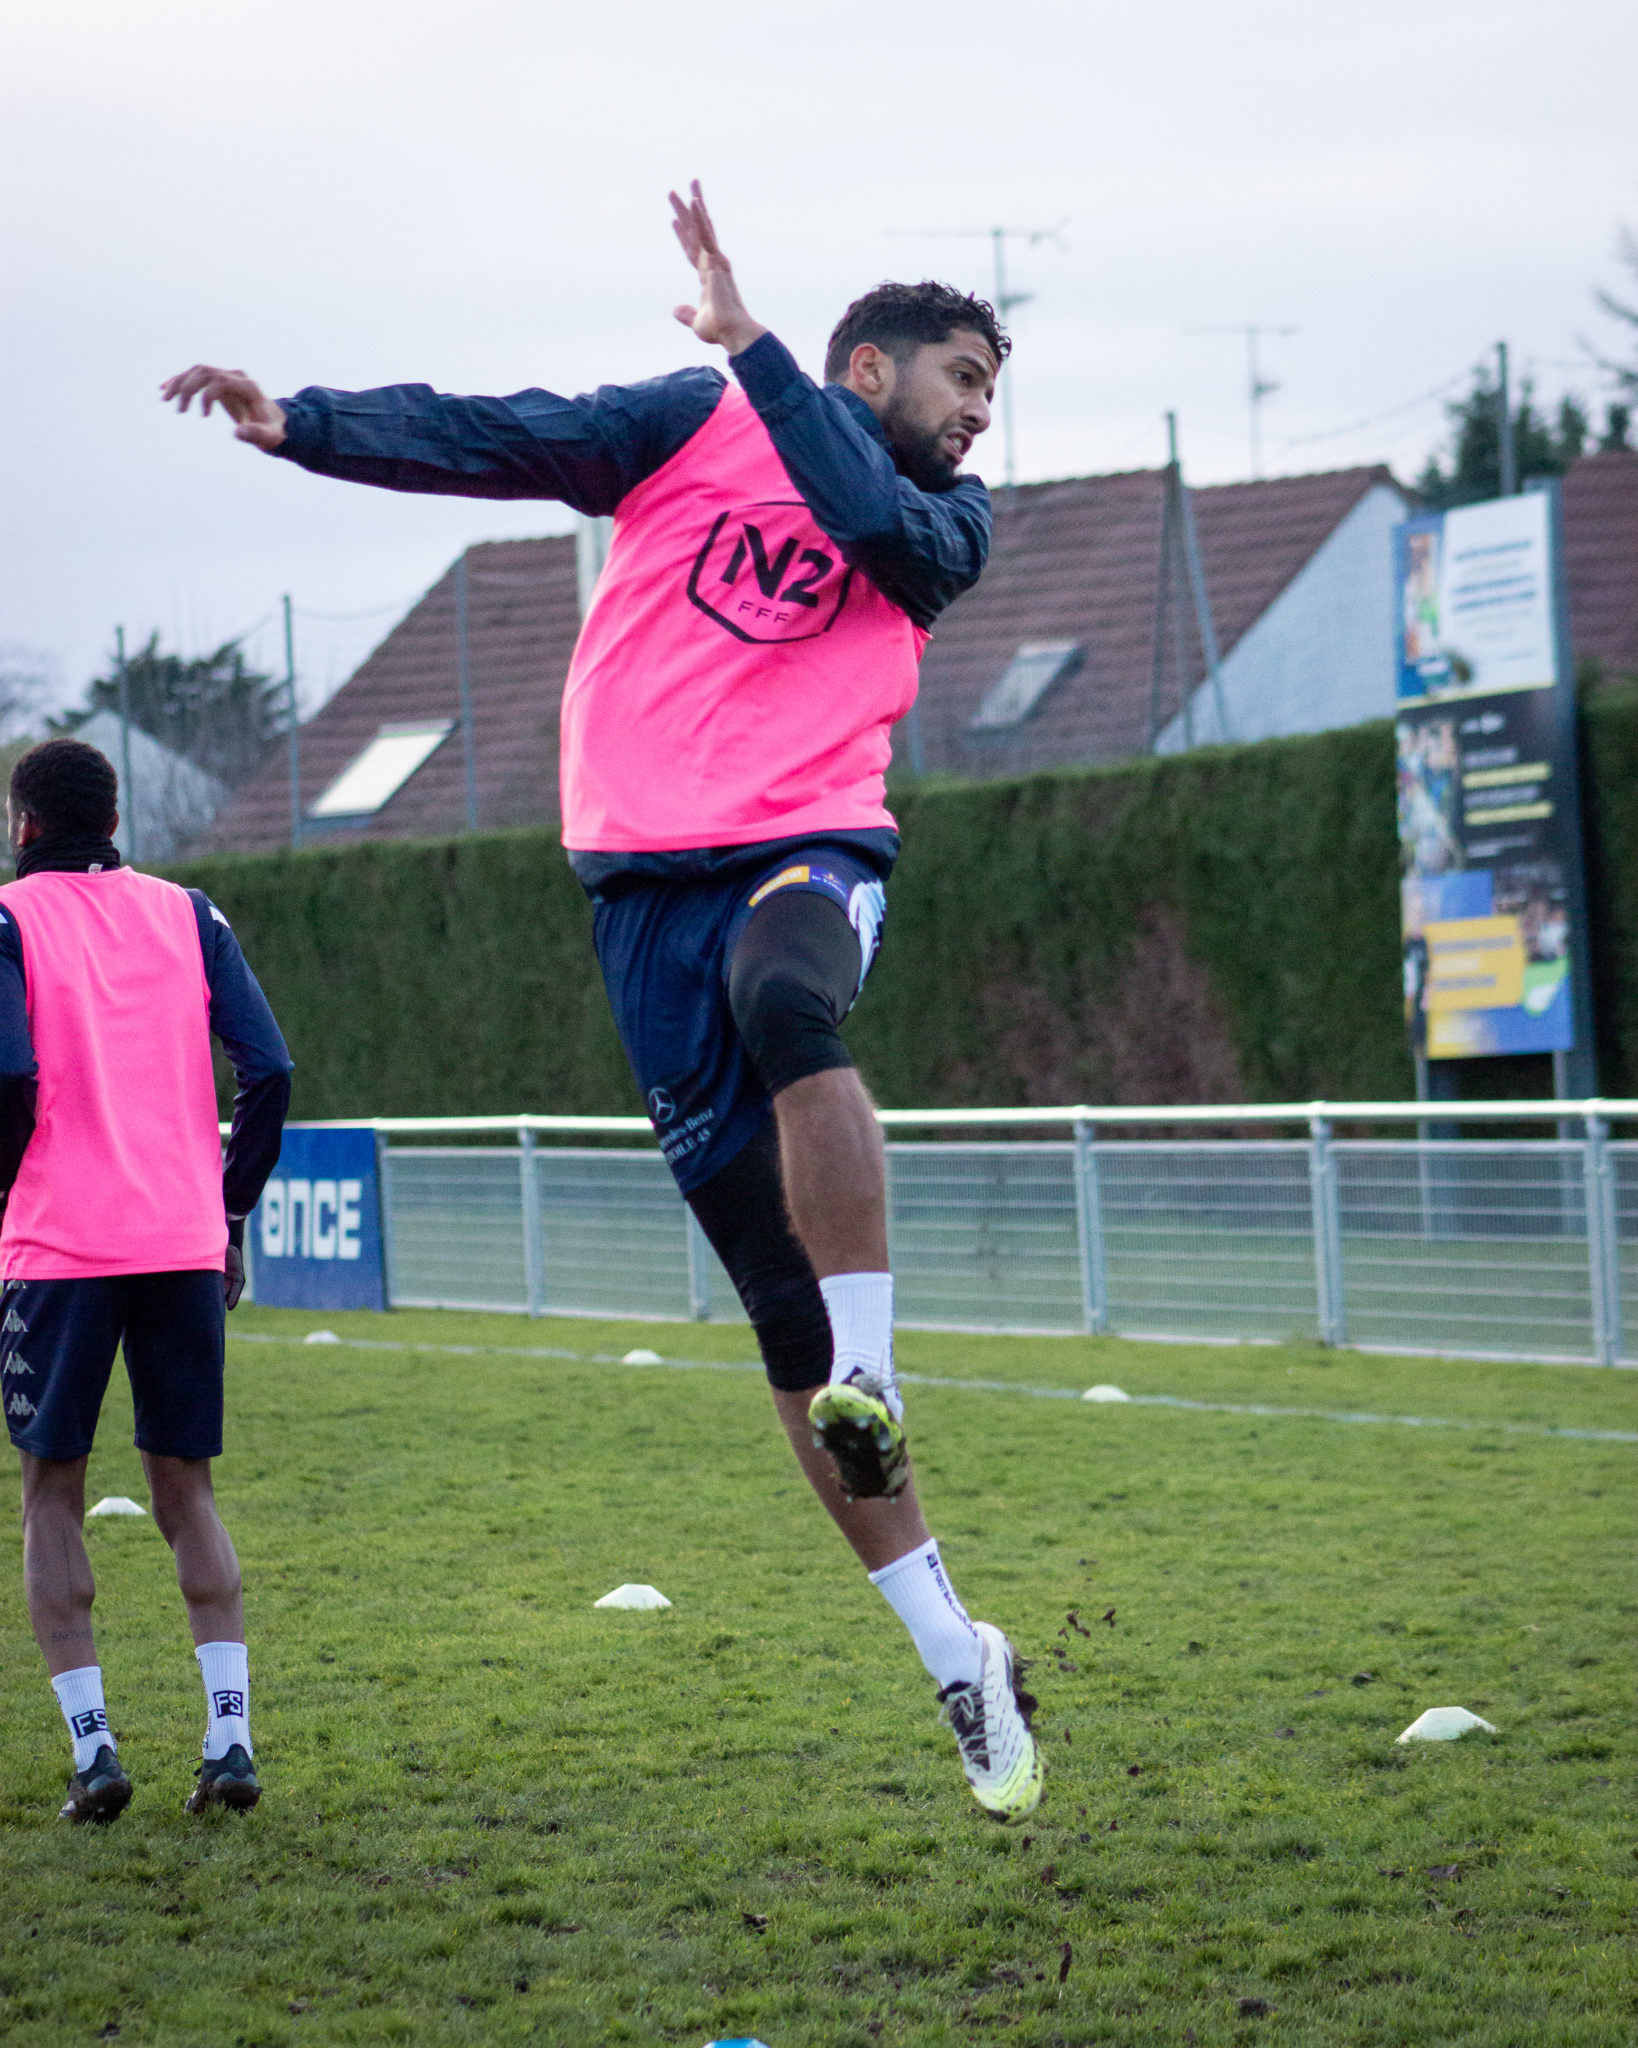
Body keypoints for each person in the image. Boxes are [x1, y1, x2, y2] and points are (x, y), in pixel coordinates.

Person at [161, 182, 1041, 1820]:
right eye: (965, 378)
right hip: (636, 888)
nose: (982, 414)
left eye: (993, 391)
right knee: (770, 1308)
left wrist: (758, 347)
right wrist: (307, 424)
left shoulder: (952, 517)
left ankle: (875, 1368)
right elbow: (506, 433)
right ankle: (950, 1649)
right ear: (870, 366)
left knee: (789, 1003)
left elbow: (873, 529)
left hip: (805, 844)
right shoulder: (691, 420)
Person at [1, 739, 292, 1821]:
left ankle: (96, 1753)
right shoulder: (190, 913)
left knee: (52, 1492)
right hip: (179, 1242)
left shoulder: (7, 920)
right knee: (188, 1490)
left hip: (58, 1250)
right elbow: (271, 1068)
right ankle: (230, 1740)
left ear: (25, 824)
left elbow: (9, 1073)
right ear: (114, 820)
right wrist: (228, 1209)